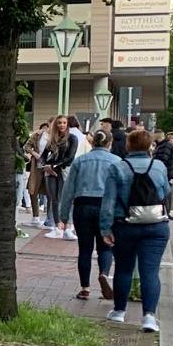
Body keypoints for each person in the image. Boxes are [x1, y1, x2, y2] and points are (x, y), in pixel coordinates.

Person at [99, 129, 173, 333]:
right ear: (150, 145)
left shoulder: (118, 168)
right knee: (150, 271)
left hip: (125, 226)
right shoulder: (159, 166)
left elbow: (108, 202)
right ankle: (149, 316)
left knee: (123, 268)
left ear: (128, 146)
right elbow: (166, 192)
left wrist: (105, 228)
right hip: (156, 226)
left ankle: (119, 312)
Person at [58, 129, 121, 301]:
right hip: (106, 206)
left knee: (85, 249)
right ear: (110, 142)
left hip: (83, 206)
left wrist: (63, 216)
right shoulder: (117, 162)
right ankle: (104, 274)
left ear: (92, 142)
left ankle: (85, 288)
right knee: (106, 246)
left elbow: (68, 190)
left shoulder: (80, 161)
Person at [38, 115, 78, 239]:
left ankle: (68, 227)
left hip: (64, 170)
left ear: (67, 124)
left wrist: (54, 166)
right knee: (54, 199)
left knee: (65, 199)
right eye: (59, 122)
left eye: (64, 122)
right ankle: (57, 227)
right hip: (50, 171)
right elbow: (43, 156)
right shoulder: (52, 139)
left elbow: (70, 157)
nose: (62, 125)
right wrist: (45, 166)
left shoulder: (72, 138)